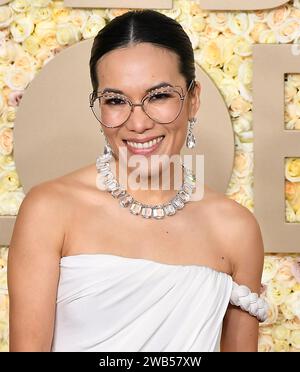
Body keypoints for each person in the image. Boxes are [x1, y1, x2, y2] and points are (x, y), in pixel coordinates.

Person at [7, 9, 268, 352]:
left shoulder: (235, 229)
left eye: (158, 96)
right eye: (116, 101)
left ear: (193, 99)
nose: (138, 123)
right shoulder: (50, 210)